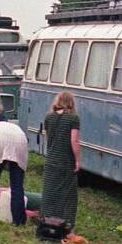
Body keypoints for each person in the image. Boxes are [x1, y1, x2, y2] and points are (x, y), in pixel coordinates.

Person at [40, 92, 81, 228]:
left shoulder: (48, 117)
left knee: (50, 192)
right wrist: (77, 160)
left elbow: (48, 138)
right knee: (68, 195)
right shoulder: (73, 118)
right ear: (70, 102)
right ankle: (66, 224)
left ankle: (47, 221)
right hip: (66, 160)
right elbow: (74, 141)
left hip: (51, 159)